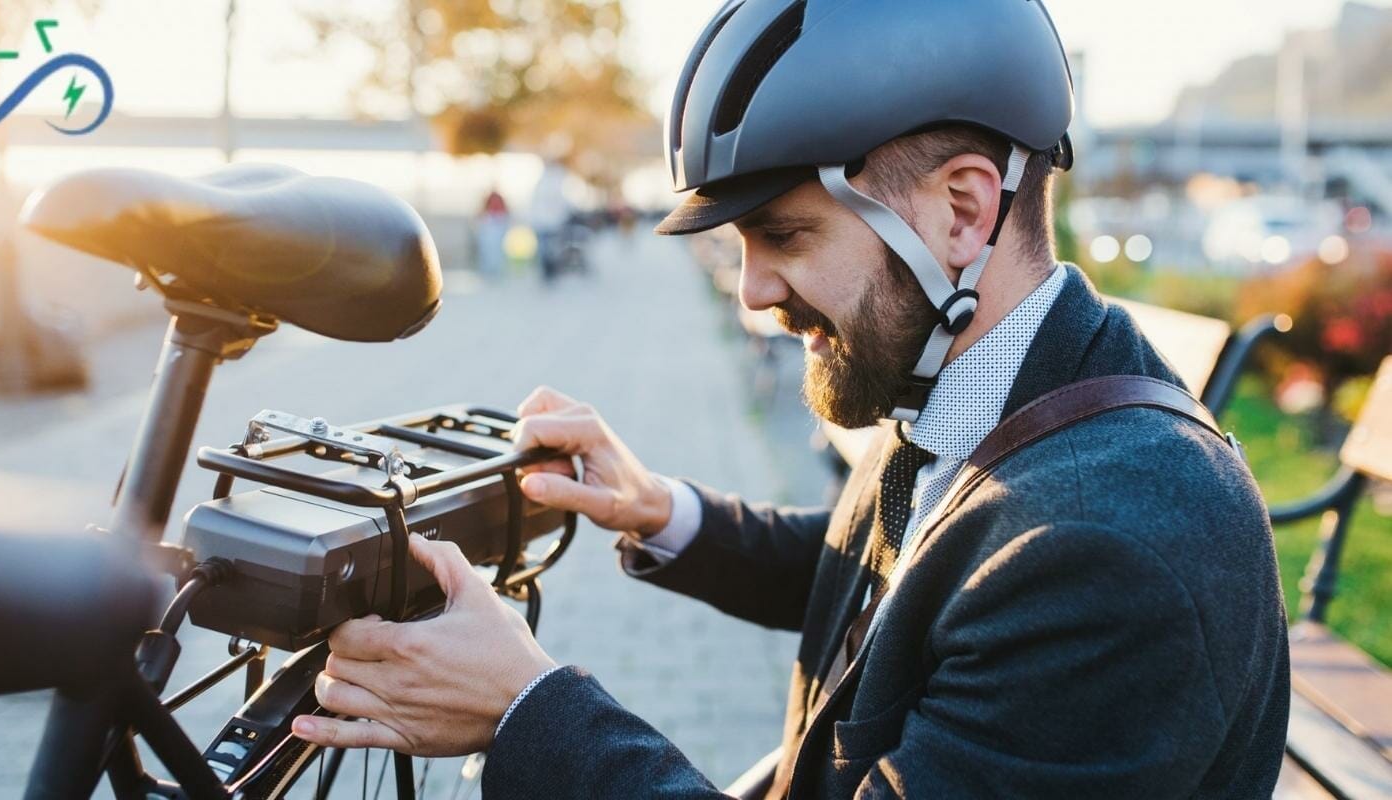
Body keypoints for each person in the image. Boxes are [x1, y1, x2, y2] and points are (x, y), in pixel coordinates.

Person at [292, 1, 1291, 797]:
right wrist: (661, 510)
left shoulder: (1112, 550)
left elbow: (985, 581)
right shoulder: (996, 385)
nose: (752, 291)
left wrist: (526, 707)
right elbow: (906, 574)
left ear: (961, 211)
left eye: (784, 235)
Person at [475, 189, 510, 279]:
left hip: (498, 230)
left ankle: (496, 272)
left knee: (497, 254)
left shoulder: (504, 218)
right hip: (488, 233)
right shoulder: (485, 218)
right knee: (488, 253)